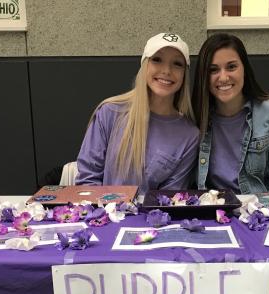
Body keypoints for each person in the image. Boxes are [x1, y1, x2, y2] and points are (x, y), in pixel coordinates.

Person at [75, 33, 199, 192]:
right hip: (102, 213)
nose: (167, 70)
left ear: (184, 74)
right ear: (144, 65)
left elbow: (169, 200)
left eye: (177, 64)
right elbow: (88, 179)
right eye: (157, 59)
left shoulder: (189, 135)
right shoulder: (109, 112)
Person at [192, 33, 269, 194]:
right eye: (213, 70)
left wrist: (268, 215)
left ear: (244, 69)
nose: (223, 77)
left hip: (261, 211)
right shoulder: (195, 116)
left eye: (231, 67)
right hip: (211, 212)